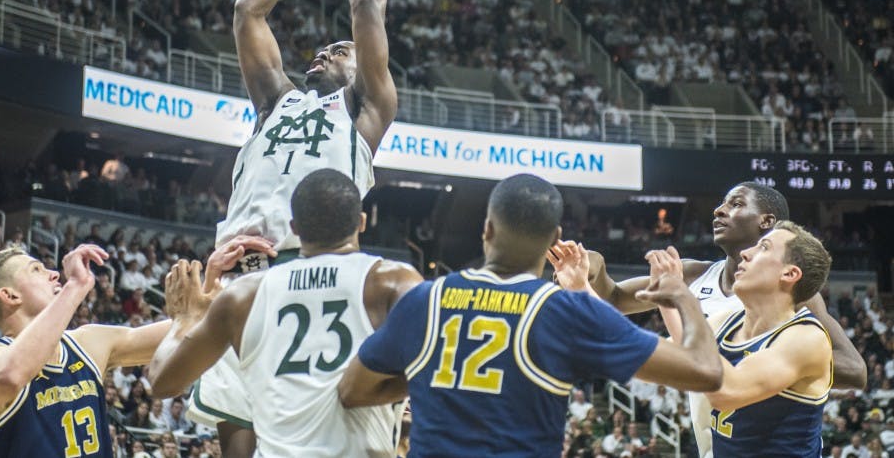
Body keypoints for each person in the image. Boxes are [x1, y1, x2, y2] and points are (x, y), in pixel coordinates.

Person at [190, 0, 397, 456]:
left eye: (342, 49)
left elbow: (365, 4)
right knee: (239, 447)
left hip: (314, 277)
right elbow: (247, 13)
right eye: (323, 47)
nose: (327, 50)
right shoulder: (275, 103)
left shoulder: (365, 111)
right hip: (238, 280)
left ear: (368, 69)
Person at [338, 174, 723, 457]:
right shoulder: (565, 312)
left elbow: (353, 391)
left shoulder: (424, 299)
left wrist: (426, 376)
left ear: (486, 229)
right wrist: (682, 294)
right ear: (555, 236)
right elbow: (705, 371)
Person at [149, 169, 422, 457]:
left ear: (293, 227)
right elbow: (437, 367)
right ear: (362, 222)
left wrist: (184, 319)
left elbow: (163, 382)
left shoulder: (243, 296)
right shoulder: (393, 282)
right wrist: (373, 390)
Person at [582, 181, 866, 457]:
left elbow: (854, 371)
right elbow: (664, 354)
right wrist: (583, 283)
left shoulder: (802, 328)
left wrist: (780, 367)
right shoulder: (719, 312)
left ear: (766, 221)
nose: (718, 210)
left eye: (736, 204)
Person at [0, 243, 231, 457]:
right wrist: (76, 286)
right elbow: (8, 378)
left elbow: (179, 330)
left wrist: (214, 281)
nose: (54, 273)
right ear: (10, 296)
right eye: (36, 269)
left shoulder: (86, 342)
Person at [648, 221, 834, 456]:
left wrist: (683, 298)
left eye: (763, 247)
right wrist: (587, 293)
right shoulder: (727, 321)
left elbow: (727, 393)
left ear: (789, 273)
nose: (745, 253)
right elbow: (687, 349)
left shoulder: (806, 338)